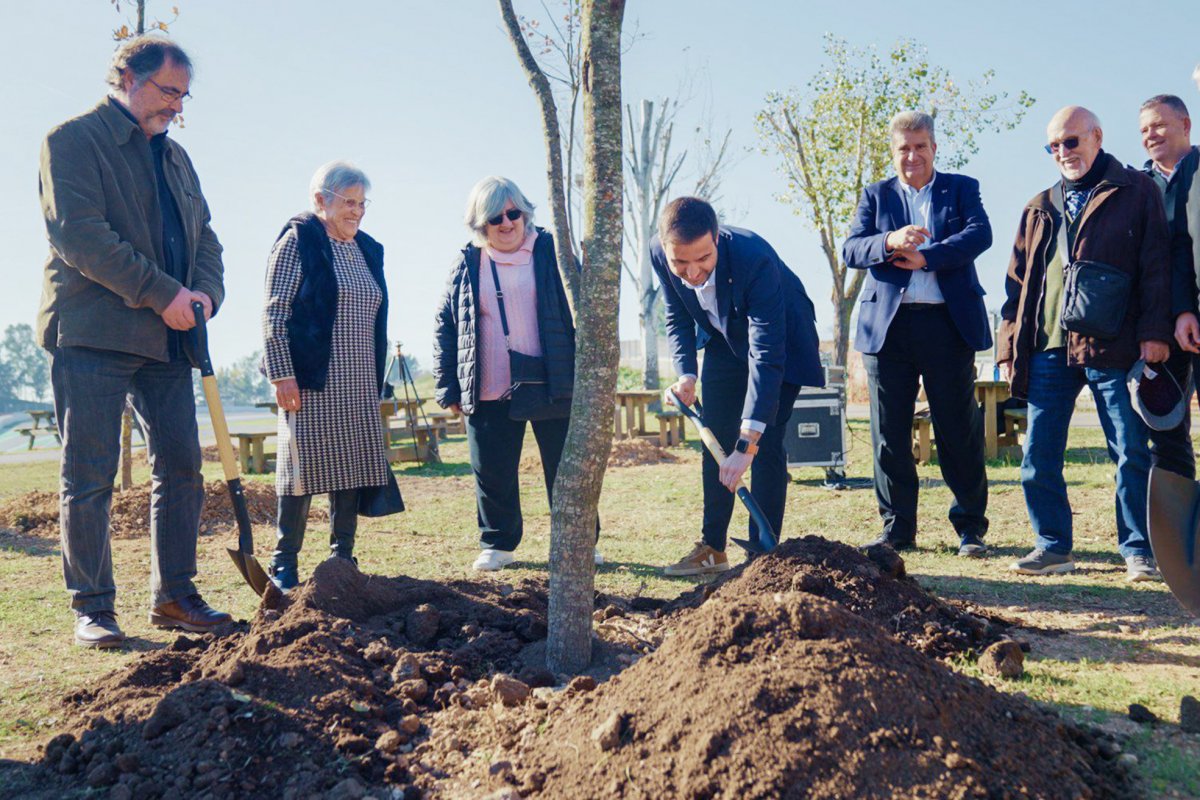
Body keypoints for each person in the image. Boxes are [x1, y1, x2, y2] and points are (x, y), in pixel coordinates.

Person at [37, 37, 230, 647]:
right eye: (168, 92)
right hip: (92, 332)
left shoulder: (176, 159)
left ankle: (175, 595)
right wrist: (162, 292)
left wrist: (203, 295)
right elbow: (81, 237)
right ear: (126, 75)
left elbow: (207, 240)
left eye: (183, 96)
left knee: (181, 465)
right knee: (89, 475)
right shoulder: (71, 140)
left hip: (169, 339)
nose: (176, 107)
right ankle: (93, 607)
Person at [997, 106, 1171, 581]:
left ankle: (1138, 551)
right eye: (1053, 146)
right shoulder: (1039, 205)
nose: (1062, 152)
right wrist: (1009, 349)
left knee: (1130, 449)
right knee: (1039, 452)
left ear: (1096, 136)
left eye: (1071, 141)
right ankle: (1053, 547)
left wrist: (1154, 333)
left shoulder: (1137, 191)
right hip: (1048, 349)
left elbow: (1157, 268)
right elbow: (1015, 287)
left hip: (1113, 346)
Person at [842, 111, 993, 557]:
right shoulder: (875, 195)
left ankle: (970, 528)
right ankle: (898, 530)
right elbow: (853, 248)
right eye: (904, 148)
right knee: (889, 433)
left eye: (920, 146)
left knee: (957, 429)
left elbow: (979, 234)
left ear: (933, 147)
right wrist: (890, 241)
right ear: (894, 152)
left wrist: (928, 256)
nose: (913, 155)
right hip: (889, 331)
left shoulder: (962, 188)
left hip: (947, 325)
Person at [433, 177, 599, 572]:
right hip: (488, 381)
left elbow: (583, 307)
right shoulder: (467, 262)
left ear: (525, 213)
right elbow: (446, 323)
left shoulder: (551, 251)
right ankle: (498, 543)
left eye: (514, 213)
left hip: (552, 378)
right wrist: (448, 383)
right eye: (495, 217)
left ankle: (579, 542)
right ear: (479, 224)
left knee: (565, 468)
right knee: (491, 469)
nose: (507, 223)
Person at [654, 197, 824, 576]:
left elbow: (766, 354)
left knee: (764, 445)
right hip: (723, 339)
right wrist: (686, 374)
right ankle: (713, 548)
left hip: (782, 341)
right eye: (680, 262)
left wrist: (747, 442)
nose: (693, 272)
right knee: (715, 437)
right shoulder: (660, 254)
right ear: (665, 247)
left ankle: (762, 557)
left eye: (703, 259)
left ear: (717, 238)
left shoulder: (754, 258)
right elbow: (677, 314)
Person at [261, 161, 400, 591]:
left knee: (352, 469)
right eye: (348, 202)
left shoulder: (368, 249)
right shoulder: (298, 242)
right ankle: (284, 563)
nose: (356, 212)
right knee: (300, 470)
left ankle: (342, 559)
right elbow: (274, 311)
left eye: (362, 203)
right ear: (320, 200)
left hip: (359, 378)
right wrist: (281, 374)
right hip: (311, 379)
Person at [1139, 95, 1199, 479]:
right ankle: (1181, 537)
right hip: (1160, 329)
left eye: (1158, 125)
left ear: (1185, 124)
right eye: (1144, 130)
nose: (1151, 135)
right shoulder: (1138, 187)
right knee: (1166, 433)